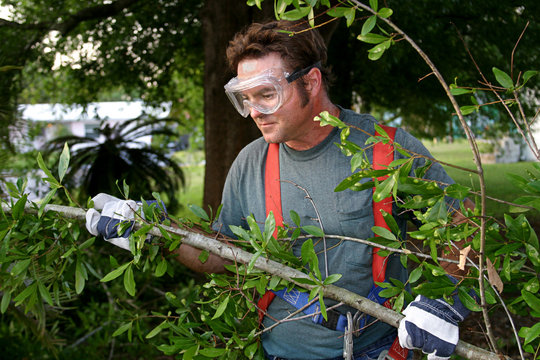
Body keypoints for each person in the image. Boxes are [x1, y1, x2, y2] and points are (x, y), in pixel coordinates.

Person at [87, 19, 474, 360]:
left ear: (310, 81)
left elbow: (464, 224)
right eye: (246, 98)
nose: (255, 111)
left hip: (373, 351)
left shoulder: (387, 151)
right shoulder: (250, 163)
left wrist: (444, 300)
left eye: (267, 94)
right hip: (276, 352)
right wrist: (155, 230)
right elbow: (224, 254)